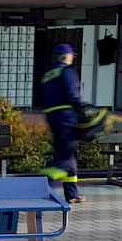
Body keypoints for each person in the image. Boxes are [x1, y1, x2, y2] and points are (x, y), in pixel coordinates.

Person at [40, 44, 85, 204]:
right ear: (66, 56)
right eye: (72, 56)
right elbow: (73, 92)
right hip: (67, 118)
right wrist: (82, 109)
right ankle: (44, 182)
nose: (72, 58)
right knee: (65, 158)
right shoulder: (66, 71)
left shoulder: (48, 75)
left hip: (53, 118)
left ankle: (72, 193)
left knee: (69, 152)